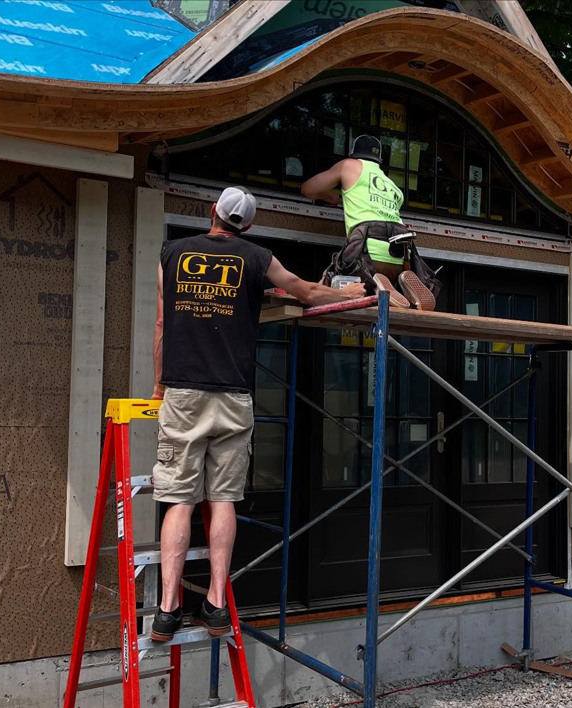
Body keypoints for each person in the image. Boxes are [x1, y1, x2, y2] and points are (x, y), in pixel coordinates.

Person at [149, 186, 365, 641]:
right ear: (245, 223)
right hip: (233, 393)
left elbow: (163, 324)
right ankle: (214, 604)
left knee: (180, 502)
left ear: (212, 213)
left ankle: (167, 610)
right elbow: (303, 291)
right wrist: (356, 293)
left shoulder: (173, 253)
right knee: (223, 499)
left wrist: (159, 384)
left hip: (184, 390)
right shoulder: (256, 256)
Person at [300, 134, 440, 311]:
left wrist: (333, 198)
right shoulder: (393, 187)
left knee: (336, 281)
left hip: (367, 251)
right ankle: (401, 286)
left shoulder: (348, 166)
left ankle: (381, 287)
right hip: (402, 255)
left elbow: (309, 189)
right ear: (379, 159)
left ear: (353, 154)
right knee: (383, 286)